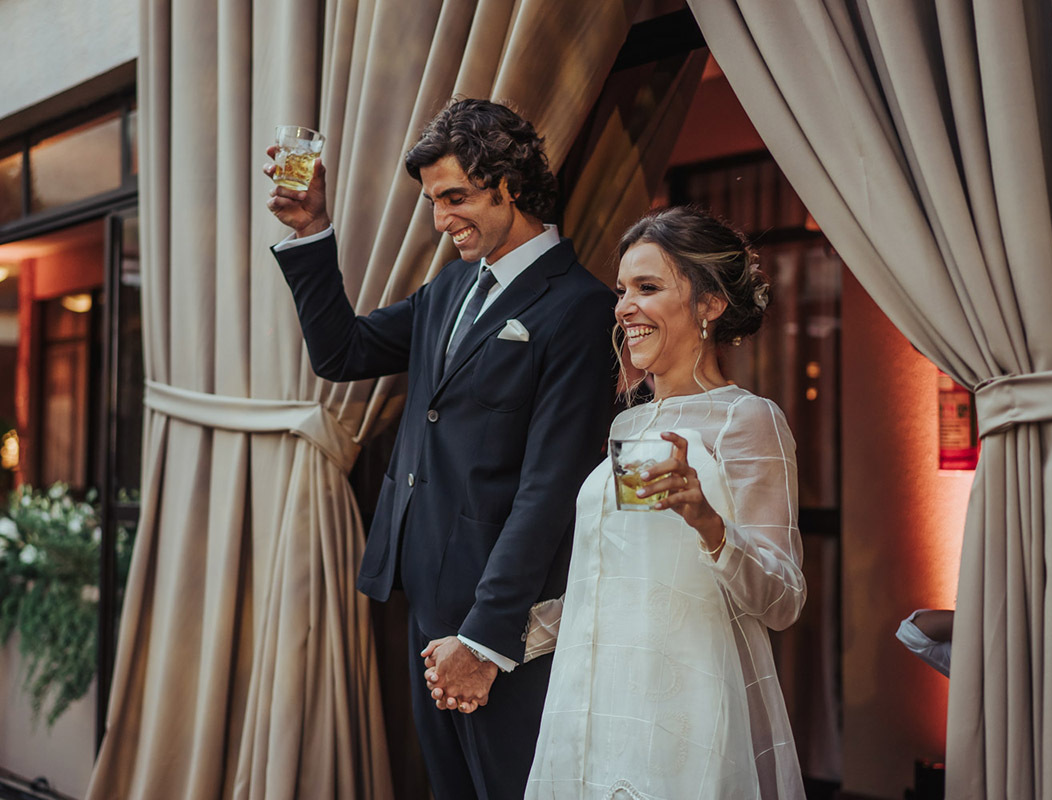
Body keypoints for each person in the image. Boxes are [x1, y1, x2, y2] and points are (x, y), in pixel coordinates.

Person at [264, 98, 617, 799]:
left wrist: (485, 638)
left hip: (503, 618)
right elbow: (342, 353)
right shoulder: (452, 284)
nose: (440, 220)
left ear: (509, 187)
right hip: (421, 591)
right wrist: (311, 232)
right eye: (432, 202)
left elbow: (549, 491)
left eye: (455, 197)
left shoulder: (581, 307)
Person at [524, 206, 807, 799]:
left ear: (710, 304)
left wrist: (710, 525)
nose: (624, 306)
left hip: (687, 714)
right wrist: (496, 640)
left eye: (647, 288)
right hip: (599, 706)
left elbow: (783, 600)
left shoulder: (747, 419)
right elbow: (616, 585)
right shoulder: (629, 423)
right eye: (622, 290)